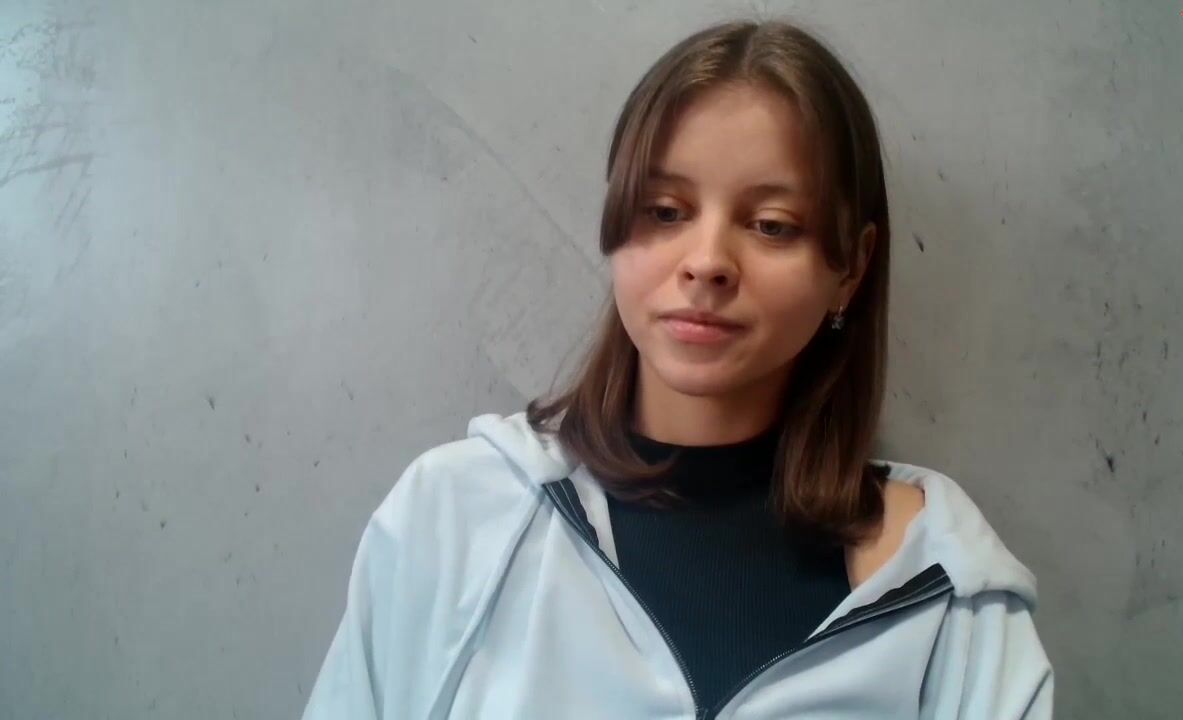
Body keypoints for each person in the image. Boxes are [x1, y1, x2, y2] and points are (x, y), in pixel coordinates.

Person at [301, 18, 1052, 720]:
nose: (707, 262)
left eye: (771, 225)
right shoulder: (455, 517)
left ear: (851, 269)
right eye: (665, 211)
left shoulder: (950, 589)